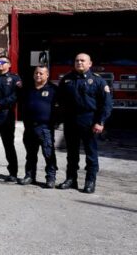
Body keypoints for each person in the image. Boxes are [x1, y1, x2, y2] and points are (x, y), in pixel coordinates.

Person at [56, 53, 112, 193]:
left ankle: (90, 181)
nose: (79, 63)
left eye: (82, 60)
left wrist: (100, 122)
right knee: (72, 153)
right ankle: (71, 179)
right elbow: (59, 100)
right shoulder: (67, 80)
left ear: (90, 64)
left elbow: (106, 104)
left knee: (90, 153)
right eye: (77, 60)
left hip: (90, 120)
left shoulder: (98, 81)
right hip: (70, 121)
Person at [18, 66, 58, 188]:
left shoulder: (53, 89)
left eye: (41, 73)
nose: (38, 75)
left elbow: (61, 108)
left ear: (47, 75)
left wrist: (55, 121)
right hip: (29, 127)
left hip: (45, 127)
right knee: (30, 154)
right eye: (36, 73)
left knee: (48, 153)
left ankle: (50, 178)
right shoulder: (27, 89)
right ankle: (30, 176)